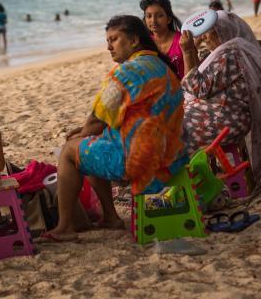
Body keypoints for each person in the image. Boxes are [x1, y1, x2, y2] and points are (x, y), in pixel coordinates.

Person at [44, 15, 186, 242]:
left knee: (71, 152)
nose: (109, 46)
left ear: (134, 41)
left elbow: (97, 118)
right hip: (172, 155)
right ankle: (110, 217)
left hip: (140, 160)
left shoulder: (125, 72)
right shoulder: (161, 66)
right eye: (107, 40)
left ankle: (65, 226)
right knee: (92, 143)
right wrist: (88, 131)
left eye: (114, 39)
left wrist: (83, 131)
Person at [179, 11, 261, 174]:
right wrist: (193, 51)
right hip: (227, 116)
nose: (206, 37)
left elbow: (198, 88)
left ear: (224, 32)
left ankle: (184, 178)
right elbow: (203, 83)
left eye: (212, 32)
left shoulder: (230, 55)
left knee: (175, 133)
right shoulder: (233, 52)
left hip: (225, 121)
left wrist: (187, 52)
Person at [140, 0, 184, 79]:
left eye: (159, 16)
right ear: (145, 20)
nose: (153, 20)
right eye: (149, 16)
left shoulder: (182, 41)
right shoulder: (144, 44)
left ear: (169, 19)